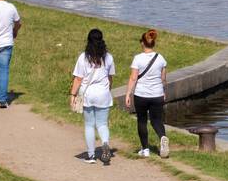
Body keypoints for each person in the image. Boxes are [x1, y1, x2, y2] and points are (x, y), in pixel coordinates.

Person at [70, 28, 114, 164]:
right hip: (103, 94)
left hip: (88, 95)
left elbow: (78, 79)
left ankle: (91, 155)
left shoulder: (83, 57)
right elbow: (110, 78)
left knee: (89, 125)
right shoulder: (108, 57)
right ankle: (105, 143)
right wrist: (108, 90)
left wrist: (73, 95)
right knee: (102, 124)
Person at [124, 29, 168, 159]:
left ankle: (145, 149)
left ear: (142, 43)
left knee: (142, 121)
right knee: (156, 120)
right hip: (157, 94)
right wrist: (163, 92)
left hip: (141, 95)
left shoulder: (138, 58)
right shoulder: (160, 58)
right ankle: (162, 137)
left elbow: (133, 78)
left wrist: (128, 94)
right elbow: (163, 78)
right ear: (153, 43)